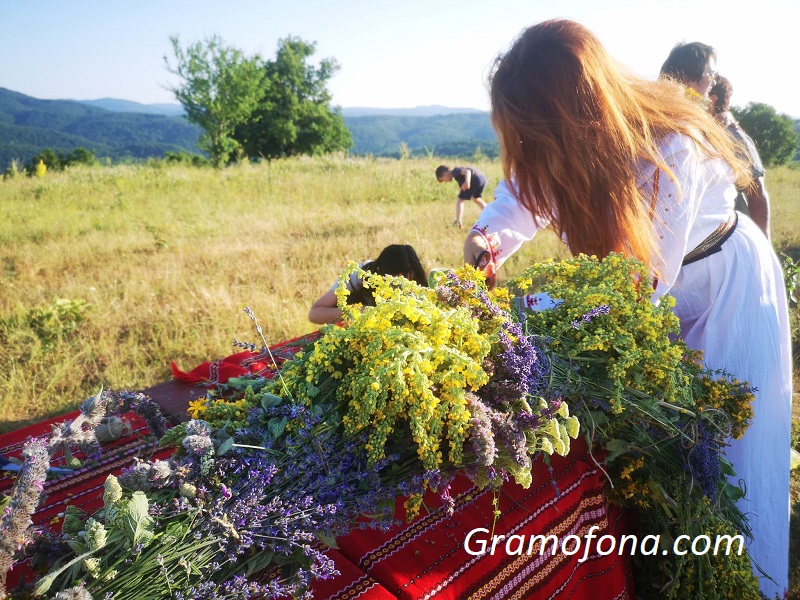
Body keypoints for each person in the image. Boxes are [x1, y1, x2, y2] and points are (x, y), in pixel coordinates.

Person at [464, 19, 791, 598]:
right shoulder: (566, 150)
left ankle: (749, 584)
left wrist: (520, 308)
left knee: (732, 459)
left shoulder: (670, 146)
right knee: (664, 457)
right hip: (659, 301)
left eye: (539, 135)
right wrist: (484, 244)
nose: (535, 152)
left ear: (576, 115)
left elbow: (635, 285)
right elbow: (518, 201)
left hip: (728, 294)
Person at [709, 75, 771, 239]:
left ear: (712, 99)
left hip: (732, 238)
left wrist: (763, 243)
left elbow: (756, 192)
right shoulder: (691, 132)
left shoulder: (733, 137)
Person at [308, 244, 428, 325]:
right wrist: (359, 311)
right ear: (380, 272)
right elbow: (315, 313)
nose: (397, 288)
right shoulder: (360, 274)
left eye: (405, 281)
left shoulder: (420, 288)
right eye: (393, 282)